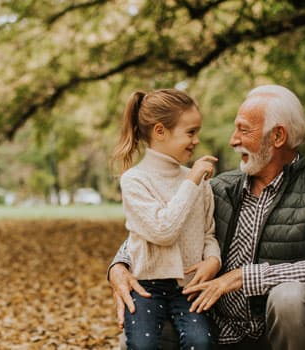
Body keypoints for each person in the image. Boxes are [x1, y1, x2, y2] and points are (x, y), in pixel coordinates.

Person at [108, 85, 305, 350]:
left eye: (243, 129)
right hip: (218, 330)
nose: (232, 140)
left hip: (277, 336)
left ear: (278, 136)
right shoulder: (219, 187)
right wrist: (118, 267)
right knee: (135, 332)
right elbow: (159, 228)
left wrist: (245, 277)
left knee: (289, 298)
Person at [110, 88, 223, 350]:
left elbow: (208, 233)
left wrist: (213, 260)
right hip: (146, 287)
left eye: (197, 132)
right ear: (160, 131)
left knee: (201, 341)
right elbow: (163, 230)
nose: (196, 140)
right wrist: (191, 181)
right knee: (141, 345)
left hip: (189, 287)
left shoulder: (200, 182)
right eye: (190, 132)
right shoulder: (135, 181)